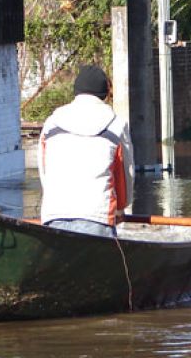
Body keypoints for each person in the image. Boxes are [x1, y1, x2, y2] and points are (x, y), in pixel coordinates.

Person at [37, 65, 134, 237]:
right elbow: (125, 176)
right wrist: (120, 208)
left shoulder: (51, 124)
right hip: (98, 216)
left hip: (54, 214)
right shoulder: (116, 125)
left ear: (76, 92)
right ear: (104, 94)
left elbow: (45, 173)